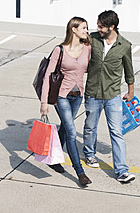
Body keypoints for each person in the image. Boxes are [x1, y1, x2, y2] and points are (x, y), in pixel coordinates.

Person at [83, 10, 136, 183]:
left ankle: (121, 170)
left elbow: (129, 70)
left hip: (113, 95)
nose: (97, 28)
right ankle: (89, 154)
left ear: (111, 27)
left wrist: (131, 92)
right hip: (92, 92)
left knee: (116, 132)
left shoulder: (125, 45)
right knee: (90, 127)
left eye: (101, 26)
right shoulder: (93, 39)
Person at [40, 17, 92, 186]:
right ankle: (80, 172)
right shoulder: (59, 50)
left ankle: (53, 160)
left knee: (65, 125)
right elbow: (48, 75)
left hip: (78, 96)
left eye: (87, 28)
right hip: (61, 96)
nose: (86, 30)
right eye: (83, 28)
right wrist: (44, 102)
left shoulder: (87, 48)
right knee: (71, 131)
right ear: (74, 29)